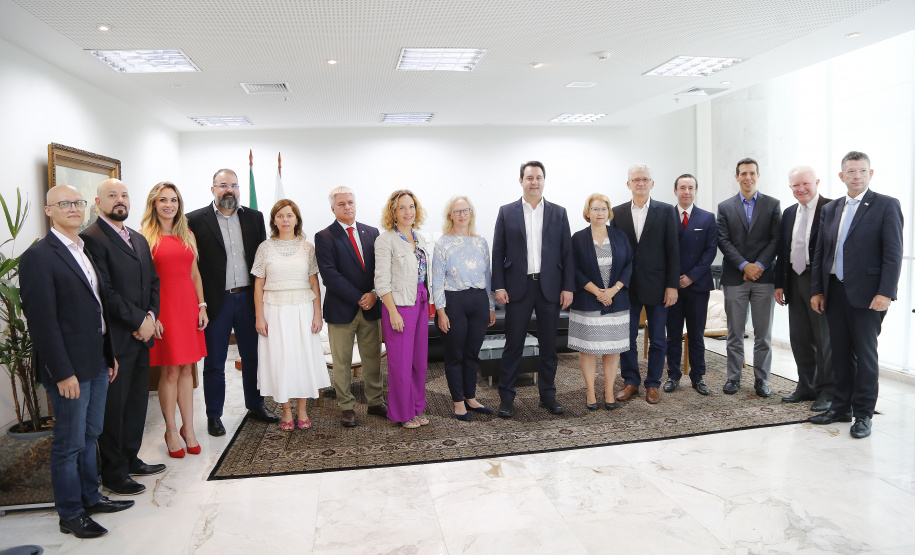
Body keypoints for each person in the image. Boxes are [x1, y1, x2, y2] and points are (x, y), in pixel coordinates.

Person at [21, 185, 134, 539]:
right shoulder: (40, 256)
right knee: (68, 443)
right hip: (69, 368)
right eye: (64, 204)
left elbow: (96, 308)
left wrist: (109, 353)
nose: (73, 208)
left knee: (90, 435)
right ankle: (70, 513)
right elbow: (43, 323)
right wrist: (62, 373)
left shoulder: (83, 249)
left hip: (97, 360)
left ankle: (90, 496)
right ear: (48, 211)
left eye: (78, 203)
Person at [809, 151, 903, 439]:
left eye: (862, 171)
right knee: (839, 354)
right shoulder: (830, 209)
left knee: (865, 356)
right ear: (841, 176)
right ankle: (841, 407)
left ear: (870, 174)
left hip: (868, 295)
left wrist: (885, 292)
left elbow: (893, 253)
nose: (857, 176)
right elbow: (821, 253)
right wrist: (818, 290)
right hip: (834, 292)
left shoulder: (886, 205)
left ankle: (863, 414)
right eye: (851, 171)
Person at [80, 179, 164, 495]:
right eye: (112, 196)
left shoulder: (139, 239)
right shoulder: (92, 239)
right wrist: (139, 320)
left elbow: (153, 282)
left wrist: (151, 317)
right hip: (118, 337)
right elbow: (105, 292)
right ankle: (114, 473)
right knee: (114, 408)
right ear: (98, 202)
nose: (120, 200)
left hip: (142, 334)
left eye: (125, 195)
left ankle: (131, 458)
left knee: (136, 403)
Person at [187, 169, 277, 437]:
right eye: (223, 185)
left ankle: (256, 405)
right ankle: (214, 415)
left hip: (250, 299)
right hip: (217, 301)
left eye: (234, 185)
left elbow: (262, 261)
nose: (229, 190)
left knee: (253, 357)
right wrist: (200, 303)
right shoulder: (193, 220)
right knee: (215, 361)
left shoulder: (254, 218)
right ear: (212, 189)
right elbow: (193, 266)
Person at [492, 161, 574, 418]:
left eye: (538, 177)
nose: (534, 182)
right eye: (529, 177)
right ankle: (506, 397)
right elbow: (498, 251)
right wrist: (498, 285)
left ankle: (548, 395)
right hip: (518, 288)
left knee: (549, 346)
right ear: (521, 181)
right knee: (513, 344)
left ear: (544, 180)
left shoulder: (559, 213)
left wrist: (568, 287)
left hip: (550, 288)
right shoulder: (507, 212)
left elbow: (567, 254)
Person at [141, 182, 208, 458]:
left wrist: (201, 305)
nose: (169, 205)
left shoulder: (187, 234)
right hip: (164, 309)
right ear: (154, 204)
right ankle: (171, 429)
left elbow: (194, 274)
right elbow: (141, 281)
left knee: (186, 370)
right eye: (163, 200)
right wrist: (150, 315)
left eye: (174, 200)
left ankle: (188, 428)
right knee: (169, 370)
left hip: (188, 307)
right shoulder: (145, 237)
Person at [252, 199, 330, 430]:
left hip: (302, 309)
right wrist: (259, 316)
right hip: (273, 310)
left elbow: (314, 282)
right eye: (280, 216)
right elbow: (258, 284)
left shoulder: (307, 247)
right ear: (274, 220)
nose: (285, 220)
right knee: (280, 359)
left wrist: (318, 313)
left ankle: (303, 410)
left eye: (289, 215)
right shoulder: (264, 248)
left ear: (297, 219)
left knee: (302, 358)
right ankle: (286, 411)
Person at [314, 186, 386, 428]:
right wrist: (359, 297)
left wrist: (374, 295)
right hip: (341, 310)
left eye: (351, 202)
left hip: (371, 308)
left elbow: (380, 269)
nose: (347, 207)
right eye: (342, 203)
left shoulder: (372, 232)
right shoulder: (324, 237)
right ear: (333, 208)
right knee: (342, 362)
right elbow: (330, 276)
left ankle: (376, 402)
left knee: (373, 359)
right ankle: (346, 407)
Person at [610, 164, 679, 405]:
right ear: (628, 184)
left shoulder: (667, 211)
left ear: (652, 184)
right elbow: (615, 253)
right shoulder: (616, 213)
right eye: (636, 180)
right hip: (627, 287)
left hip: (658, 287)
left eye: (645, 179)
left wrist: (672, 286)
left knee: (658, 339)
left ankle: (652, 384)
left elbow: (673, 251)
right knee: (627, 338)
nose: (640, 183)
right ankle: (631, 382)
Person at [716, 157, 781, 397]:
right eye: (743, 173)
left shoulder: (773, 205)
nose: (748, 177)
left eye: (752, 173)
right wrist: (744, 265)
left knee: (763, 335)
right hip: (736, 278)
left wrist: (759, 265)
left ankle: (762, 380)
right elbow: (723, 240)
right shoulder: (725, 207)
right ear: (737, 177)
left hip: (764, 279)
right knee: (735, 333)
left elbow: (776, 239)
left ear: (758, 175)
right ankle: (734, 378)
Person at [774, 166, 834, 411]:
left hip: (819, 281)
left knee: (824, 340)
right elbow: (782, 250)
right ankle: (806, 386)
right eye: (795, 186)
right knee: (799, 338)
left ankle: (827, 392)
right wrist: (779, 283)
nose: (800, 189)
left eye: (805, 184)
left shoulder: (831, 209)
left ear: (817, 182)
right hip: (794, 280)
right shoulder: (789, 213)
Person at [432, 196, 496, 421]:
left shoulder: (481, 242)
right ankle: (458, 403)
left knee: (472, 353)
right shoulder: (443, 243)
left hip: (479, 300)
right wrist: (440, 310)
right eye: (457, 211)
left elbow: (487, 276)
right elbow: (437, 279)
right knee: (455, 355)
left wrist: (490, 306)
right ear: (450, 215)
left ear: (471, 213)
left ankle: (471, 397)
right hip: (454, 302)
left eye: (465, 210)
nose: (462, 215)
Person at [569, 193, 632, 410]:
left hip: (616, 300)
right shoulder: (578, 238)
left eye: (603, 209)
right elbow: (573, 269)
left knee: (612, 349)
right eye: (595, 209)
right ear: (587, 212)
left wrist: (613, 290)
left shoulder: (619, 236)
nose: (599, 213)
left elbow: (629, 265)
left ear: (609, 212)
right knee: (587, 349)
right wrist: (598, 291)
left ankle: (608, 390)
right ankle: (590, 391)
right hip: (588, 301)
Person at [375, 190, 432, 428]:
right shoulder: (385, 240)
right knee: (400, 362)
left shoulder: (419, 238)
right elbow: (381, 281)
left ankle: (417, 408)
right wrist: (393, 312)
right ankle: (402, 412)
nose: (408, 212)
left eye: (411, 207)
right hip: (398, 306)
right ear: (393, 212)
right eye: (402, 208)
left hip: (419, 301)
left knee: (419, 360)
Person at [664, 174, 718, 396]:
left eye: (691, 188)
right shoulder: (665, 216)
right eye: (682, 187)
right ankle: (673, 375)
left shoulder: (707, 218)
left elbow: (710, 251)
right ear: (675, 191)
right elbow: (662, 250)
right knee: (673, 334)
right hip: (671, 287)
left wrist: (691, 277)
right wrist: (674, 280)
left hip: (697, 287)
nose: (686, 192)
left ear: (696, 191)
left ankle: (698, 376)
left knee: (696, 335)